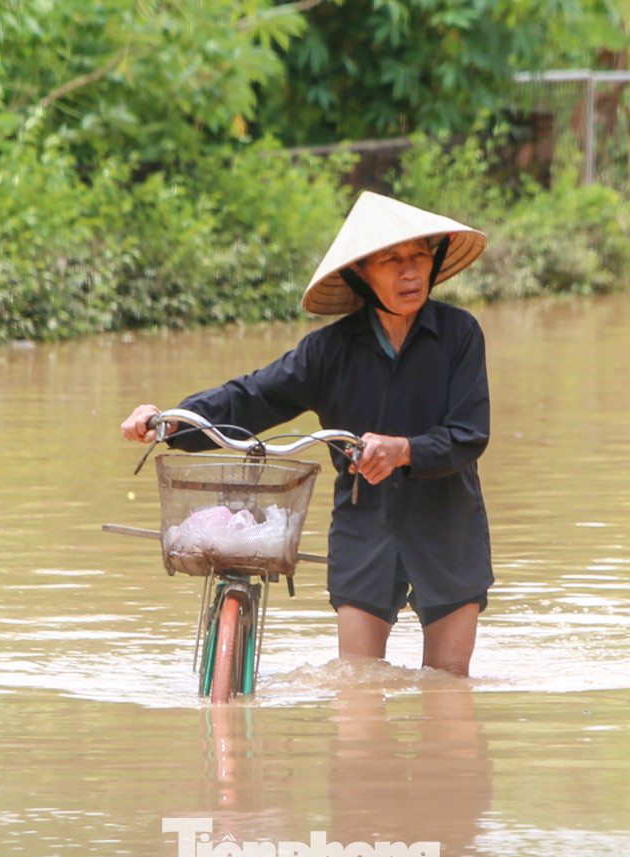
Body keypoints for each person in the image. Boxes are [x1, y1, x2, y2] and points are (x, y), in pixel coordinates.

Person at [120, 191, 493, 676]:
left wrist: (403, 451)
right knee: (357, 694)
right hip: (366, 528)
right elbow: (250, 397)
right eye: (392, 260)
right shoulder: (328, 351)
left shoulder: (460, 335)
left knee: (448, 694)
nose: (410, 271)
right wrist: (171, 421)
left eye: (419, 256)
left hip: (448, 528)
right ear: (362, 272)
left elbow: (469, 434)